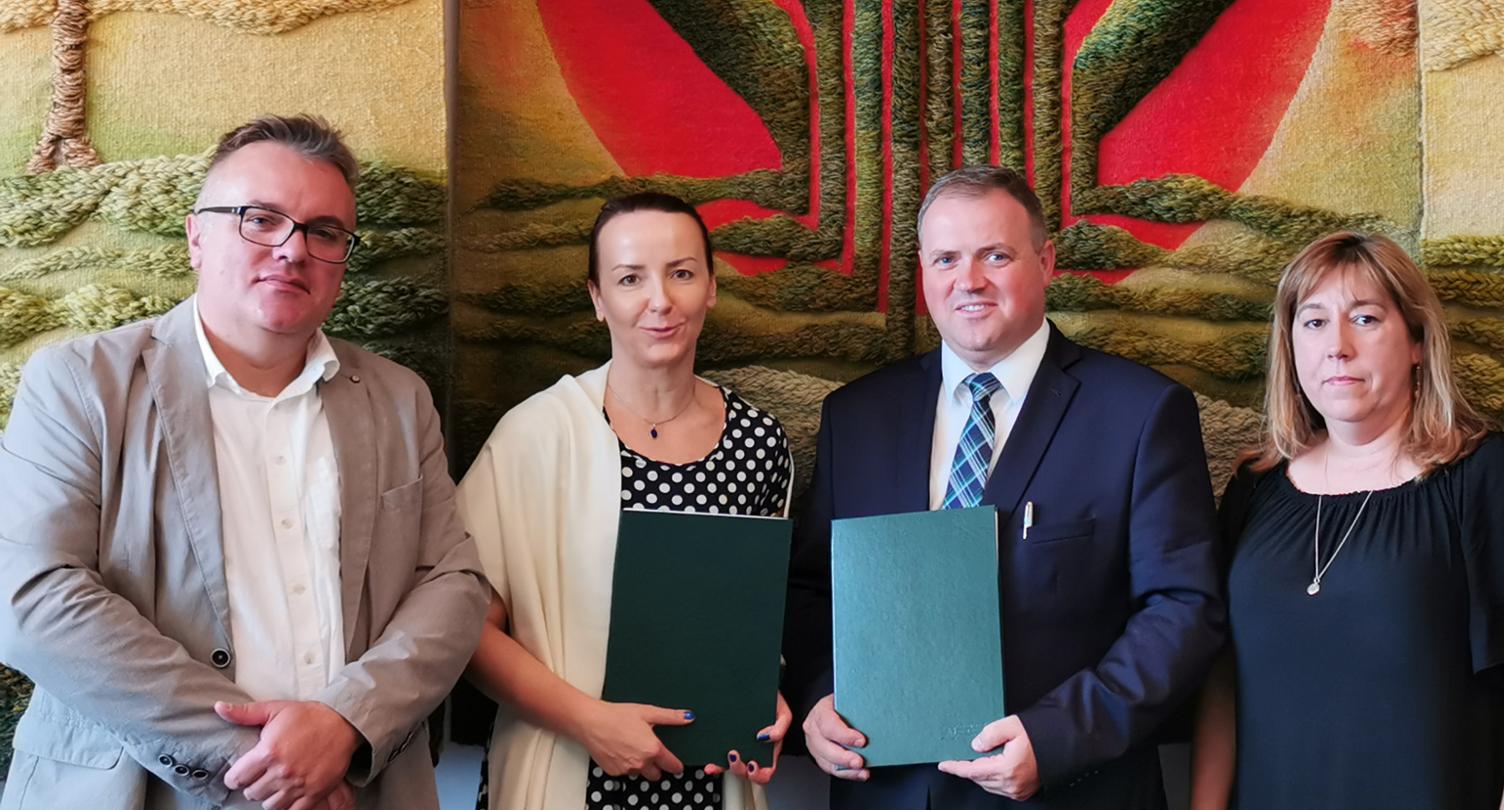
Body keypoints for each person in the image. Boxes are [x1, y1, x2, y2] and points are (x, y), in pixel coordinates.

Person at [0, 114, 490, 809]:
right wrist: (264, 763)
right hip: (137, 789)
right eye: (260, 219)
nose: (293, 250)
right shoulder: (79, 384)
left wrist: (346, 723)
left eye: (324, 232)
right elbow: (31, 598)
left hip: (359, 785)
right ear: (196, 237)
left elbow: (453, 582)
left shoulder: (399, 399)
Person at [784, 165, 1225, 809]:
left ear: (1045, 262)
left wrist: (1059, 736)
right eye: (946, 259)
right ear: (924, 272)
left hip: (1073, 791)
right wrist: (820, 694)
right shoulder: (856, 417)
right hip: (886, 791)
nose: (969, 280)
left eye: (995, 255)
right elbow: (810, 590)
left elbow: (1183, 607)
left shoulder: (1142, 412)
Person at [1190, 231, 1504, 809]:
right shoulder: (1256, 486)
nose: (1337, 346)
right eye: (1314, 322)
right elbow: (1223, 681)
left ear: (1417, 340)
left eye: (1365, 319)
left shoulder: (1488, 473)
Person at [459, 192, 794, 810]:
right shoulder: (536, 435)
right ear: (597, 297)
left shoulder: (760, 443)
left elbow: (751, 621)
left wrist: (759, 694)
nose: (659, 300)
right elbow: (464, 630)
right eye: (630, 278)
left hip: (708, 783)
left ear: (712, 287)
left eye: (682, 273)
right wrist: (589, 721)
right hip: (569, 770)